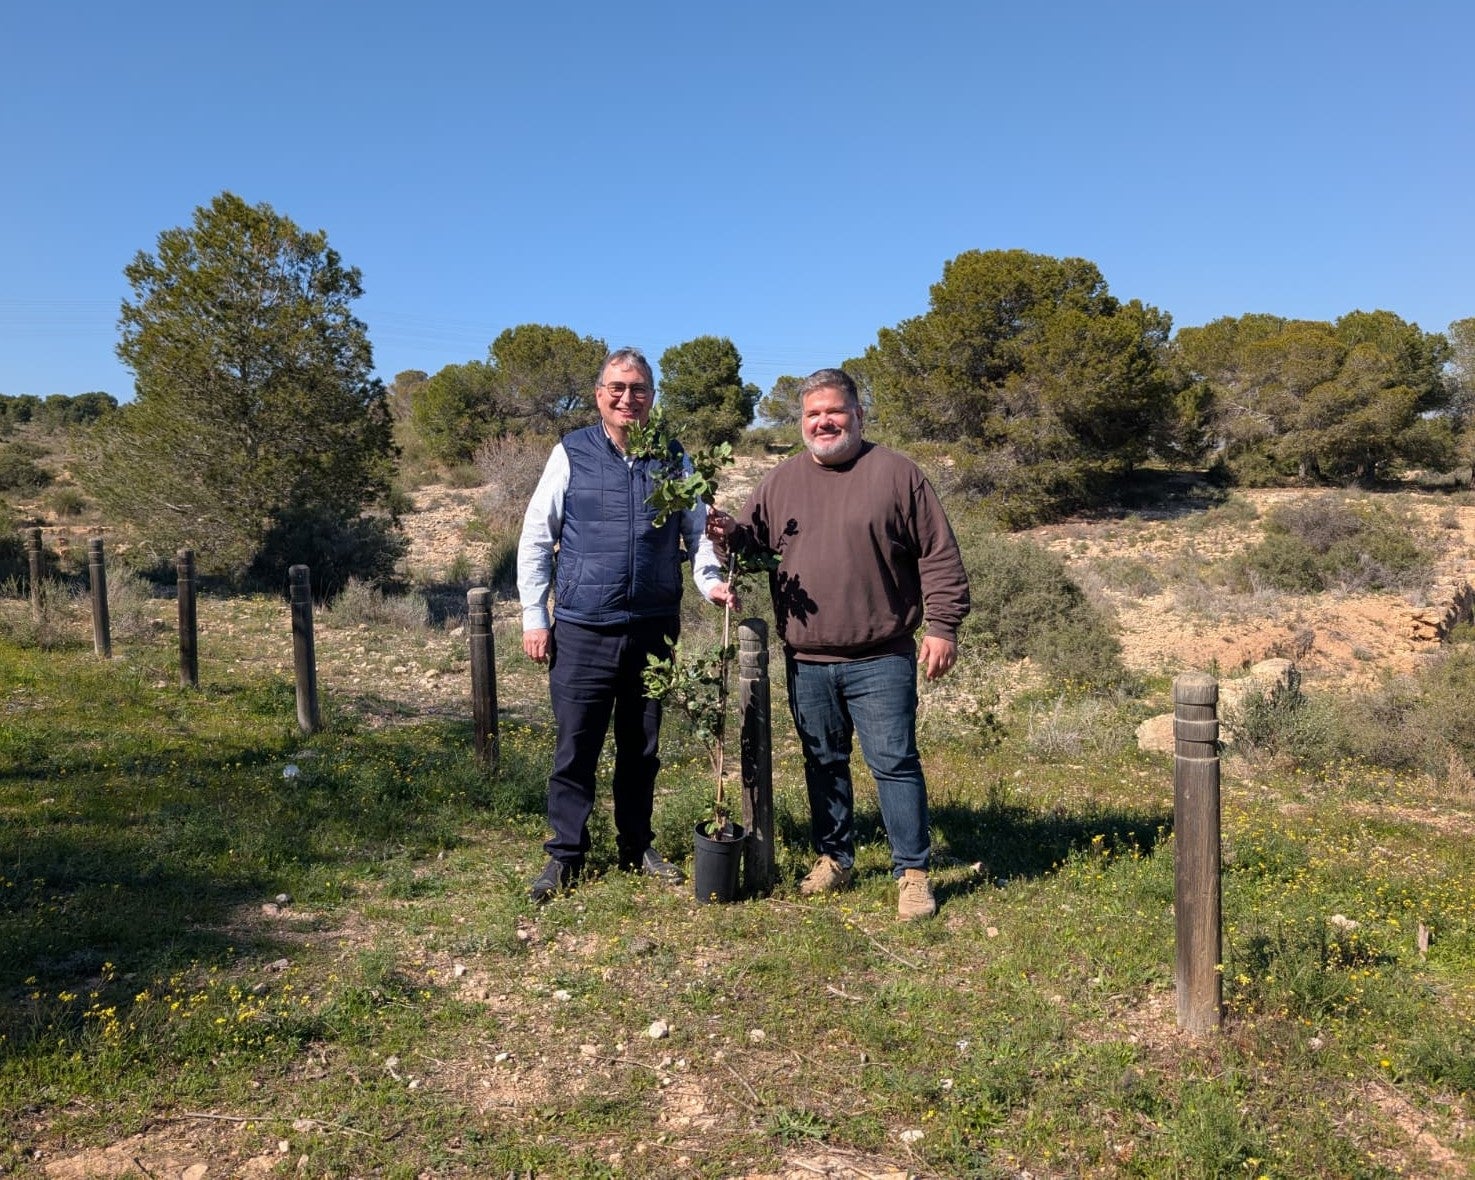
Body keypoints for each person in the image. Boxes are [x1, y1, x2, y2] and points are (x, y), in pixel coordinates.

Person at [708, 368, 969, 920]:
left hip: (882, 655)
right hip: (807, 658)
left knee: (894, 763)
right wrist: (726, 532)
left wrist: (942, 626)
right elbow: (749, 542)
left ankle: (913, 872)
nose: (824, 421)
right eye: (812, 414)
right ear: (801, 421)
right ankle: (835, 857)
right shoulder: (780, 482)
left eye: (835, 411)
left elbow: (938, 555)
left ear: (857, 414)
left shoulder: (897, 474)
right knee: (823, 761)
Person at [518, 347, 734, 904]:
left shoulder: (674, 457)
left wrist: (710, 583)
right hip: (583, 625)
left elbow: (700, 534)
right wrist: (534, 615)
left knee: (641, 747)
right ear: (599, 395)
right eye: (617, 387)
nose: (627, 397)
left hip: (653, 627)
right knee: (576, 746)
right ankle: (565, 855)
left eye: (638, 388)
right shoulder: (571, 453)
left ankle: (636, 845)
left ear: (652, 396)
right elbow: (537, 539)